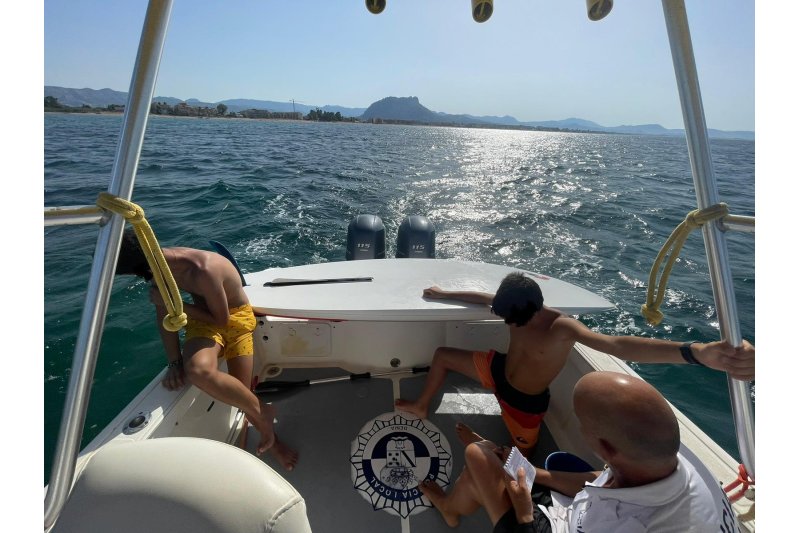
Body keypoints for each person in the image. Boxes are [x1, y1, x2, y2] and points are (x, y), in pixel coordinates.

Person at [395, 272, 755, 456]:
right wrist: (443, 294)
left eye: (511, 320)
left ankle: (503, 460)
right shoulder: (514, 306)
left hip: (524, 404)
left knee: (522, 459)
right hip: (496, 370)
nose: (507, 323)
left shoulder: (562, 327)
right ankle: (423, 405)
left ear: (534, 309)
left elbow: (617, 345)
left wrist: (696, 352)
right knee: (442, 355)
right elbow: (483, 298)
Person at [419, 371, 743, 532]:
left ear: (605, 447)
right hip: (578, 510)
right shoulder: (665, 453)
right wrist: (535, 474)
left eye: (581, 421)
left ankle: (453, 503)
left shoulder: (634, 527)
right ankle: (453, 506)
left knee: (478, 457)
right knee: (487, 466)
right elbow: (603, 478)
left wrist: (524, 514)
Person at [115, 229, 298, 470]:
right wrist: (174, 362)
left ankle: (272, 438)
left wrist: (177, 305)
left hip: (235, 320)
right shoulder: (159, 268)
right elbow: (165, 317)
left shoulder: (204, 270)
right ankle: (263, 411)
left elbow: (221, 320)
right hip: (203, 322)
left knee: (241, 395)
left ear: (144, 268)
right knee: (199, 371)